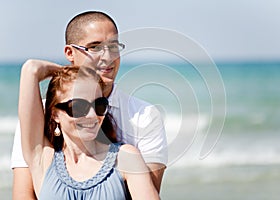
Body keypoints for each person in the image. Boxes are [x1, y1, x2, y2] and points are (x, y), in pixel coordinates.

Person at [11, 11, 167, 199]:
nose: (107, 56)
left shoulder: (145, 117)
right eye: (95, 47)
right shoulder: (38, 118)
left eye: (113, 46)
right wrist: (66, 74)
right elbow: (23, 194)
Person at [18, 60, 160, 199]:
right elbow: (31, 69)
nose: (92, 115)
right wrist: (63, 72)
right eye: (79, 107)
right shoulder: (43, 159)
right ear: (55, 114)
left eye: (99, 105)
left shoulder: (125, 158)